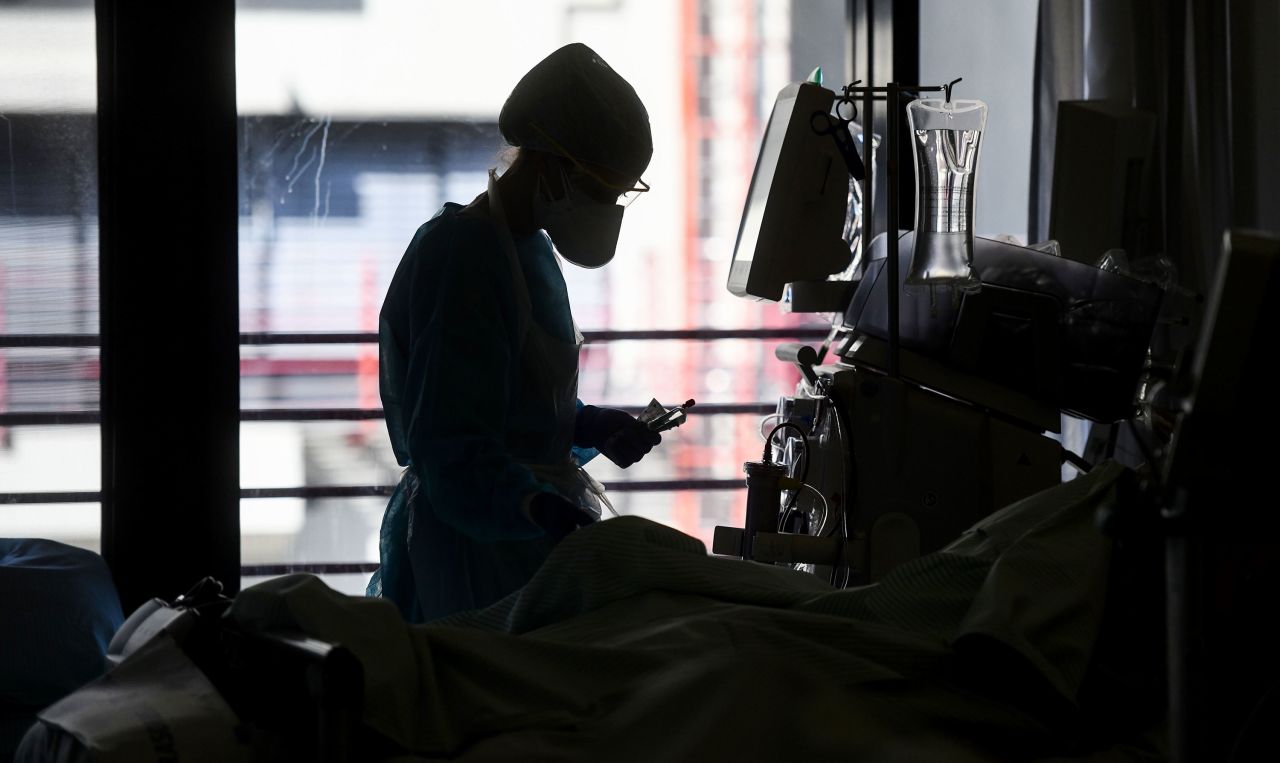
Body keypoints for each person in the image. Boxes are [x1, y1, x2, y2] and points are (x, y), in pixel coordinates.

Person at [367, 43, 662, 623]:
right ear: (551, 164)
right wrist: (532, 503)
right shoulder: (465, 254)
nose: (611, 208)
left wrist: (588, 424)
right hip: (474, 549)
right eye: (604, 190)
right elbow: (449, 442)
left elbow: (515, 403)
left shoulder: (527, 250)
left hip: (513, 537)